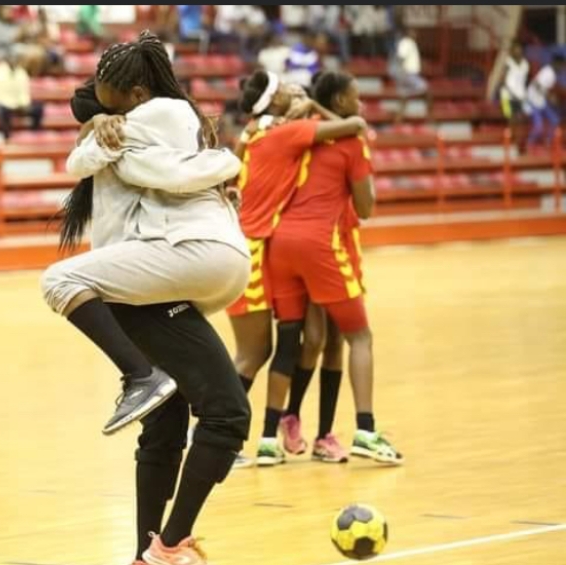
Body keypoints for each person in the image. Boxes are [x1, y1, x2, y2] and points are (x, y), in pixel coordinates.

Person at [54, 31, 252, 565]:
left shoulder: (134, 124)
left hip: (143, 274)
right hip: (142, 274)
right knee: (227, 413)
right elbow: (89, 104)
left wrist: (93, 118)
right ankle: (169, 545)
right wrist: (225, 162)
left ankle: (148, 552)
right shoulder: (162, 117)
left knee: (165, 423)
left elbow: (82, 100)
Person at [226, 70, 366, 467]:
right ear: (272, 101)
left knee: (290, 343)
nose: (295, 89)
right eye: (285, 88)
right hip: (252, 250)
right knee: (255, 352)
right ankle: (215, 435)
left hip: (271, 249)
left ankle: (271, 434)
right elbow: (355, 126)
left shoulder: (257, 132)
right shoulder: (282, 133)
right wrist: (313, 108)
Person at [266, 70, 402, 464]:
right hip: (323, 243)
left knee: (315, 339)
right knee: (355, 337)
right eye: (355, 97)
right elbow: (365, 208)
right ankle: (364, 429)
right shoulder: (348, 141)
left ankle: (284, 427)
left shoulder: (298, 132)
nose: (360, 104)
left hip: (282, 243)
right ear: (340, 102)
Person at [0, 57, 44, 141]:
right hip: (5, 105)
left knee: (38, 107)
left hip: (19, 105)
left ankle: (34, 133)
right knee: (2, 110)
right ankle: (6, 137)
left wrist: (23, 104)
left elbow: (24, 92)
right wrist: (12, 105)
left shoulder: (21, 72)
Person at [526, 53, 564, 148]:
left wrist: (549, 97)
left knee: (555, 120)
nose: (563, 68)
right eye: (562, 65)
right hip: (533, 99)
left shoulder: (552, 74)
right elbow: (536, 84)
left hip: (541, 100)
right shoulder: (548, 72)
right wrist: (549, 97)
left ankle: (548, 142)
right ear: (557, 63)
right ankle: (529, 144)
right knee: (538, 126)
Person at [392, 26, 429, 123]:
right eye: (412, 31)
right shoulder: (405, 43)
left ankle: (397, 121)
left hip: (409, 75)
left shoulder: (411, 43)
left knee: (404, 100)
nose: (415, 34)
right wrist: (401, 74)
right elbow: (401, 57)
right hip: (407, 75)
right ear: (408, 33)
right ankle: (431, 118)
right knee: (427, 90)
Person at [499, 42, 529, 148]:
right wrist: (511, 92)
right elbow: (502, 80)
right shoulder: (508, 63)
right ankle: (510, 140)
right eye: (515, 49)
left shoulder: (525, 64)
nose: (518, 51)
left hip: (519, 95)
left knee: (519, 118)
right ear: (512, 51)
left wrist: (522, 94)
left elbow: (524, 81)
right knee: (510, 117)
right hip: (507, 95)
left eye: (519, 49)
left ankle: (518, 140)